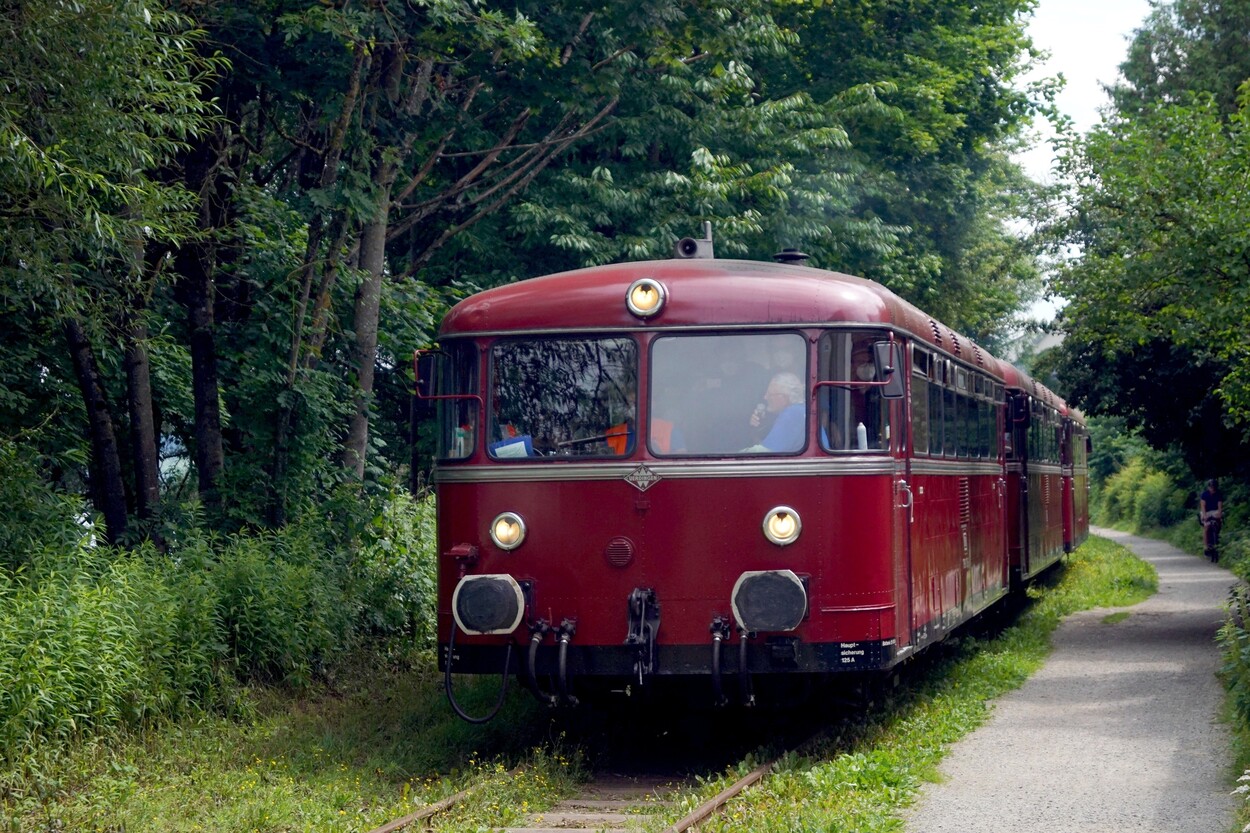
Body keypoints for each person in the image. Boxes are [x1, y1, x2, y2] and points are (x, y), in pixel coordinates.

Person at [743, 372, 805, 452]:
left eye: (769, 394)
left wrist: (733, 454)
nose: (765, 397)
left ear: (783, 397)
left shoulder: (793, 413)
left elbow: (763, 452)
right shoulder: (800, 410)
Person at [1200, 478, 1224, 561]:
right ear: (1209, 487)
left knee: (1219, 522)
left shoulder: (1218, 494)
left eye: (1213, 487)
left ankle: (1217, 536)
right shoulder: (1204, 494)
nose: (1212, 488)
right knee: (1206, 527)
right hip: (1207, 511)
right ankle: (1206, 546)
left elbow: (1220, 505)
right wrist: (1204, 515)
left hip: (1215, 511)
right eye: (1211, 487)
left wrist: (1220, 513)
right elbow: (1203, 505)